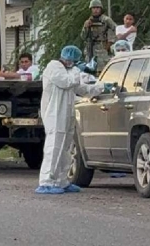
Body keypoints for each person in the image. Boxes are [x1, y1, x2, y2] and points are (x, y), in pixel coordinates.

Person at [36, 45, 112, 195]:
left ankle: (61, 181)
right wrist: (79, 69)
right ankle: (46, 182)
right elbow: (67, 83)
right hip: (55, 115)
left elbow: (81, 88)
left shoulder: (69, 71)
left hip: (66, 114)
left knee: (65, 149)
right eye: (74, 61)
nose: (75, 63)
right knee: (54, 148)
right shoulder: (54, 67)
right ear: (68, 58)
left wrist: (102, 87)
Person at [80, 0, 117, 73]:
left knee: (102, 70)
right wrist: (86, 27)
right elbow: (83, 37)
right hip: (90, 48)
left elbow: (117, 30)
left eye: (97, 8)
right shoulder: (88, 21)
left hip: (102, 47)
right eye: (94, 8)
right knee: (89, 70)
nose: (95, 10)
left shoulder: (106, 20)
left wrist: (110, 43)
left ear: (100, 9)